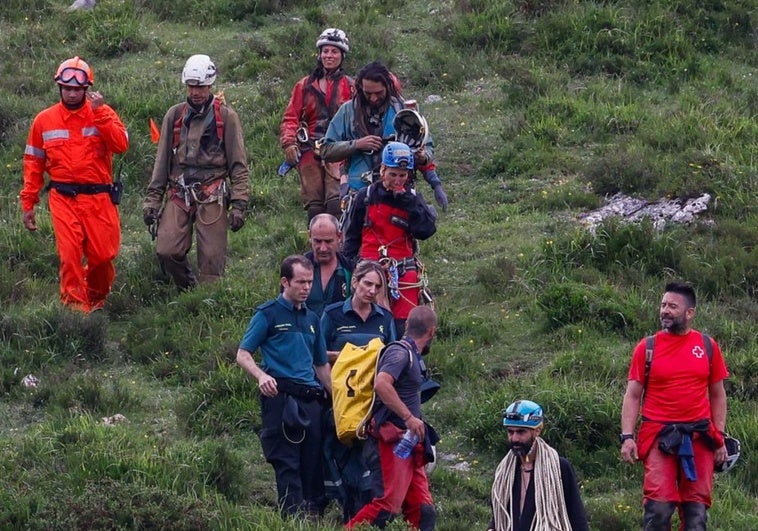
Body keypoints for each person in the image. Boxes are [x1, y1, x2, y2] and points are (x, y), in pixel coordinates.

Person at [21, 56, 129, 312]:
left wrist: (101, 114)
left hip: (99, 199)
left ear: (86, 89)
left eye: (76, 89)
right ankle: (75, 311)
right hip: (63, 198)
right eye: (67, 89)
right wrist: (29, 202)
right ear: (60, 88)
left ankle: (95, 299)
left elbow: (121, 145)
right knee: (69, 258)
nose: (71, 94)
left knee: (103, 257)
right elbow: (33, 163)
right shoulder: (44, 120)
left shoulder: (103, 112)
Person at [621, 281, 728, 531]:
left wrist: (720, 437)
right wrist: (627, 437)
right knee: (658, 509)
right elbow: (633, 395)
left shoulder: (707, 346)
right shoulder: (647, 348)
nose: (665, 311)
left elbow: (718, 395)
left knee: (696, 514)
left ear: (689, 313)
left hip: (700, 437)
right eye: (663, 305)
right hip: (659, 436)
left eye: (672, 306)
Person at [236, 255, 332, 519]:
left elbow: (321, 364)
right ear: (284, 282)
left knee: (312, 460)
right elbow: (243, 354)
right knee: (286, 461)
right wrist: (260, 376)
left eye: (310, 282)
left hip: (310, 399)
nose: (306, 287)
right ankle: (291, 519)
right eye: (300, 282)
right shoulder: (268, 314)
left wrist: (337, 398)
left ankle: (312, 516)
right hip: (281, 396)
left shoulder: (313, 319)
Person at [143, 54, 250, 290]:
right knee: (166, 250)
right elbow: (162, 162)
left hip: (212, 193)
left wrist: (240, 204)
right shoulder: (174, 115)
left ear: (210, 84)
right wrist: (152, 201)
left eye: (200, 86)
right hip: (178, 192)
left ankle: (205, 307)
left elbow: (238, 164)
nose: (195, 92)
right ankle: (186, 287)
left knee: (212, 262)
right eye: (191, 86)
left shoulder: (227, 117)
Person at [346, 305, 439, 531]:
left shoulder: (410, 354)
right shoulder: (400, 352)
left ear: (406, 325)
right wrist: (408, 417)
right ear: (432, 332)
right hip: (391, 439)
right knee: (386, 506)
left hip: (410, 443)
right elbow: (381, 384)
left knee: (423, 510)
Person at [321, 260, 397, 522]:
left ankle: (366, 519)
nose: (372, 290)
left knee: (370, 466)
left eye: (378, 286)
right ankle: (344, 514)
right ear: (354, 282)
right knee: (342, 459)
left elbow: (392, 357)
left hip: (373, 405)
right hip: (340, 402)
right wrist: (347, 357)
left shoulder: (384, 318)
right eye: (367, 283)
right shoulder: (332, 315)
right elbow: (317, 356)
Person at [318, 60, 448, 210]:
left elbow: (426, 148)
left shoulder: (404, 112)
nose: (373, 98)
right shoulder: (348, 112)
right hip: (359, 194)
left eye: (378, 93)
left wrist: (423, 159)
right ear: (360, 88)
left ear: (388, 86)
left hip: (398, 192)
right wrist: (357, 145)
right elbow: (326, 150)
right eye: (368, 93)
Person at [341, 142, 437, 335]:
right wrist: (354, 268)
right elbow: (351, 237)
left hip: (403, 270)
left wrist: (410, 205)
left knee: (403, 326)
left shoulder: (413, 198)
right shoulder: (365, 197)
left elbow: (426, 231)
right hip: (368, 266)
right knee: (369, 320)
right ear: (383, 170)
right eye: (393, 174)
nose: (397, 180)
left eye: (402, 175)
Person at [279, 28, 354, 223]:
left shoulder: (352, 86)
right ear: (319, 54)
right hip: (309, 150)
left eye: (334, 51)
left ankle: (340, 247)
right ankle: (317, 248)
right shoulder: (303, 86)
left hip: (339, 150)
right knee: (314, 206)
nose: (329, 55)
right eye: (325, 51)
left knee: (336, 203)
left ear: (342, 55)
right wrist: (289, 143)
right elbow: (290, 117)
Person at [488, 399, 589, 531]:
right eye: (510, 432)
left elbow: (577, 517)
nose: (514, 439)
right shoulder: (505, 471)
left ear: (537, 431)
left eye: (521, 432)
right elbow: (499, 513)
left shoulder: (559, 467)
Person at [304, 213, 354, 317]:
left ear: (339, 237)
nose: (323, 248)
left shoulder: (351, 270)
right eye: (317, 241)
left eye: (328, 241)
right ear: (309, 236)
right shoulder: (296, 269)